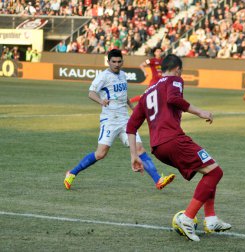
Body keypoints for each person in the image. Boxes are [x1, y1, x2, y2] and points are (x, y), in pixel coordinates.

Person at [126, 54, 231, 242]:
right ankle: (187, 218)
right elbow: (174, 98)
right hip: (173, 140)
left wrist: (134, 155)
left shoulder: (148, 91)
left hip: (158, 148)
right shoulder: (175, 79)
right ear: (177, 69)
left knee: (209, 169)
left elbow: (131, 126)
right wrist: (200, 112)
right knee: (215, 173)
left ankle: (211, 218)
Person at [64, 49, 175, 190]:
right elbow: (91, 93)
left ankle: (158, 179)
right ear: (109, 62)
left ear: (122, 61)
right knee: (100, 153)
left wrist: (132, 107)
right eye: (113, 62)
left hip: (125, 119)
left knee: (139, 148)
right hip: (109, 119)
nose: (116, 64)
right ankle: (72, 173)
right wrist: (101, 101)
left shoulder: (123, 75)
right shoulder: (103, 76)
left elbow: (123, 94)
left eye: (119, 61)